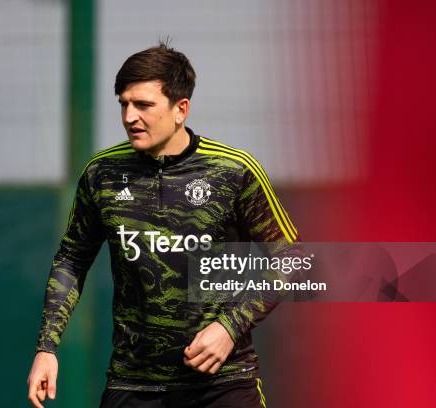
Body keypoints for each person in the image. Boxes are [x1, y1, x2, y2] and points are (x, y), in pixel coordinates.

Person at [27, 42, 300, 408]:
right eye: (123, 103)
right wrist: (47, 347)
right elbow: (72, 259)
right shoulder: (102, 174)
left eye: (143, 105)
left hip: (223, 385)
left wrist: (230, 326)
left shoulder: (235, 171)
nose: (129, 116)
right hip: (133, 384)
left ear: (180, 109)